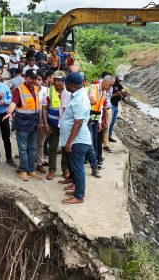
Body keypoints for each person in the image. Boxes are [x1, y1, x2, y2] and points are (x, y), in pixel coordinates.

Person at [3, 69, 42, 181]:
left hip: (33, 123)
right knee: (23, 148)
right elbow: (14, 102)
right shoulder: (19, 90)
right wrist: (9, 112)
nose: (33, 80)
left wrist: (39, 123)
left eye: (35, 78)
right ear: (25, 77)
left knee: (32, 148)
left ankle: (31, 170)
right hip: (22, 124)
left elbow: (36, 108)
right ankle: (23, 170)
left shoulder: (36, 89)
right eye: (31, 78)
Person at [60, 73, 92, 205]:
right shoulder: (78, 96)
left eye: (65, 83)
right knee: (75, 167)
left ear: (71, 85)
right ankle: (77, 191)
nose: (64, 85)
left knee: (78, 168)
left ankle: (79, 196)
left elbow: (77, 122)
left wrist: (69, 142)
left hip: (78, 141)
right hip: (76, 140)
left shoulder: (80, 99)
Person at [43, 70, 70, 180]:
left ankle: (65, 169)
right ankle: (52, 170)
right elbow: (44, 109)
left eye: (59, 80)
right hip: (52, 124)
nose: (57, 82)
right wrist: (46, 125)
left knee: (65, 147)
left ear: (64, 81)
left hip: (65, 125)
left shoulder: (69, 92)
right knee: (52, 147)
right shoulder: (48, 92)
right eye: (55, 80)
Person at [35, 70, 48, 174]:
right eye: (35, 78)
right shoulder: (29, 90)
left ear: (42, 81)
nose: (36, 81)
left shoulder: (46, 91)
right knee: (30, 142)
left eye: (39, 79)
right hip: (31, 121)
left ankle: (39, 163)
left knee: (40, 142)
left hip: (42, 121)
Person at [109, 72, 126, 142]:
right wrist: (116, 94)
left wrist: (124, 94)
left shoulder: (119, 86)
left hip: (116, 105)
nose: (120, 81)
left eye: (121, 80)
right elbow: (108, 95)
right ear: (116, 77)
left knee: (112, 122)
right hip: (111, 105)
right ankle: (105, 136)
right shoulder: (111, 85)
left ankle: (109, 136)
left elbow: (122, 91)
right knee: (109, 122)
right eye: (119, 79)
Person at [103, 75, 115, 153]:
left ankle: (106, 144)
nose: (110, 87)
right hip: (103, 109)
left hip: (108, 108)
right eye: (110, 84)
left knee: (107, 126)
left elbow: (109, 97)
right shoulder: (98, 87)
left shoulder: (110, 88)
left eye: (112, 85)